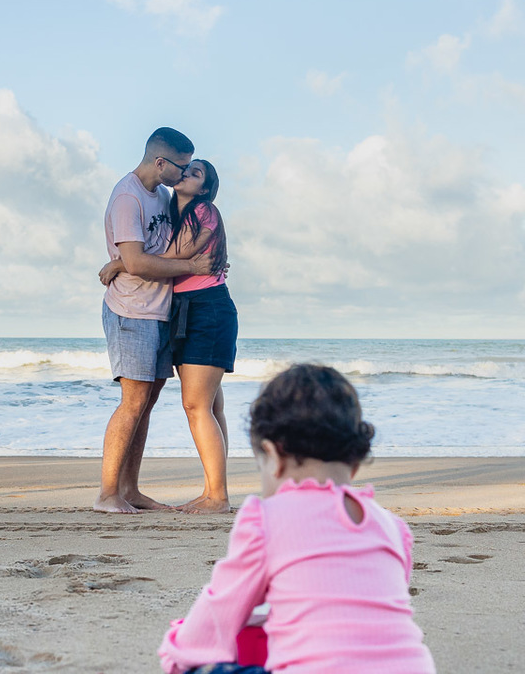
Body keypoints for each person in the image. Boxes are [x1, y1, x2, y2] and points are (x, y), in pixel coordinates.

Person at [157, 364, 436, 674]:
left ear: (273, 457)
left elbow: (220, 608)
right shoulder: (393, 527)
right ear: (355, 463)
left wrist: (176, 654)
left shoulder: (265, 519)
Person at [101, 159, 236, 514]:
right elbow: (168, 253)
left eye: (196, 173)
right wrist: (131, 260)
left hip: (206, 309)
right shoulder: (171, 208)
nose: (186, 173)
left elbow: (179, 255)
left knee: (196, 405)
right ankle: (213, 492)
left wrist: (121, 262)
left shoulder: (203, 210)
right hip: (186, 309)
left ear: (205, 188)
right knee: (209, 405)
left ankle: (218, 497)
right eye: (186, 168)